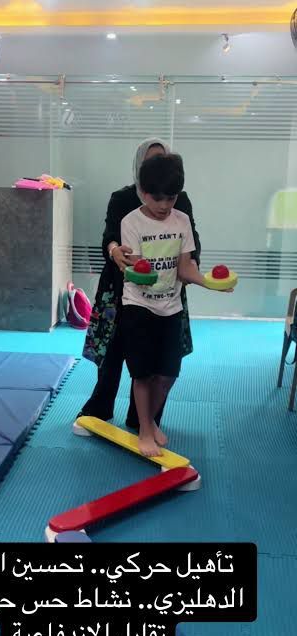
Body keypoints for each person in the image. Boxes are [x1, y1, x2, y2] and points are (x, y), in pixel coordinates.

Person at [78, 137, 201, 430]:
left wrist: (193, 269)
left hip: (164, 291)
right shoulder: (122, 198)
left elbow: (191, 239)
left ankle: (144, 419)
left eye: (161, 160)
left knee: (159, 361)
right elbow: (109, 236)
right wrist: (114, 250)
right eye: (150, 162)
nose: (163, 204)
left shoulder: (179, 199)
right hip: (120, 288)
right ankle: (99, 408)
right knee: (112, 352)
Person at [120, 152, 229, 458]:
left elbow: (184, 268)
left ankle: (150, 420)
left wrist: (210, 283)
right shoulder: (131, 222)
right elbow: (138, 269)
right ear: (143, 192)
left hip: (171, 307)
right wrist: (135, 269)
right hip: (138, 305)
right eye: (157, 198)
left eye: (171, 198)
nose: (164, 205)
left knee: (168, 374)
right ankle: (144, 430)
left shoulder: (182, 220)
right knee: (142, 374)